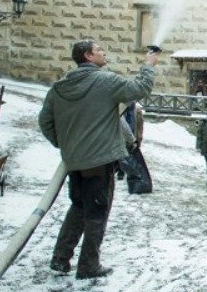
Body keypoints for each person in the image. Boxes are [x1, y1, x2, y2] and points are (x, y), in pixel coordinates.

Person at [39, 39, 158, 279]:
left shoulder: (59, 87)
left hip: (75, 161)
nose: (104, 53)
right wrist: (149, 65)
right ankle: (88, 265)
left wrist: (66, 145)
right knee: (97, 212)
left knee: (79, 206)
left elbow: (45, 122)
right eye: (99, 50)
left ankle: (61, 258)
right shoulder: (105, 81)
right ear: (88, 56)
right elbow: (140, 89)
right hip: (100, 160)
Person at [120, 101, 153, 194]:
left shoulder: (135, 109)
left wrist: (136, 140)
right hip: (124, 140)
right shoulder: (120, 109)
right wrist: (133, 140)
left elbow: (138, 126)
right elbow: (126, 126)